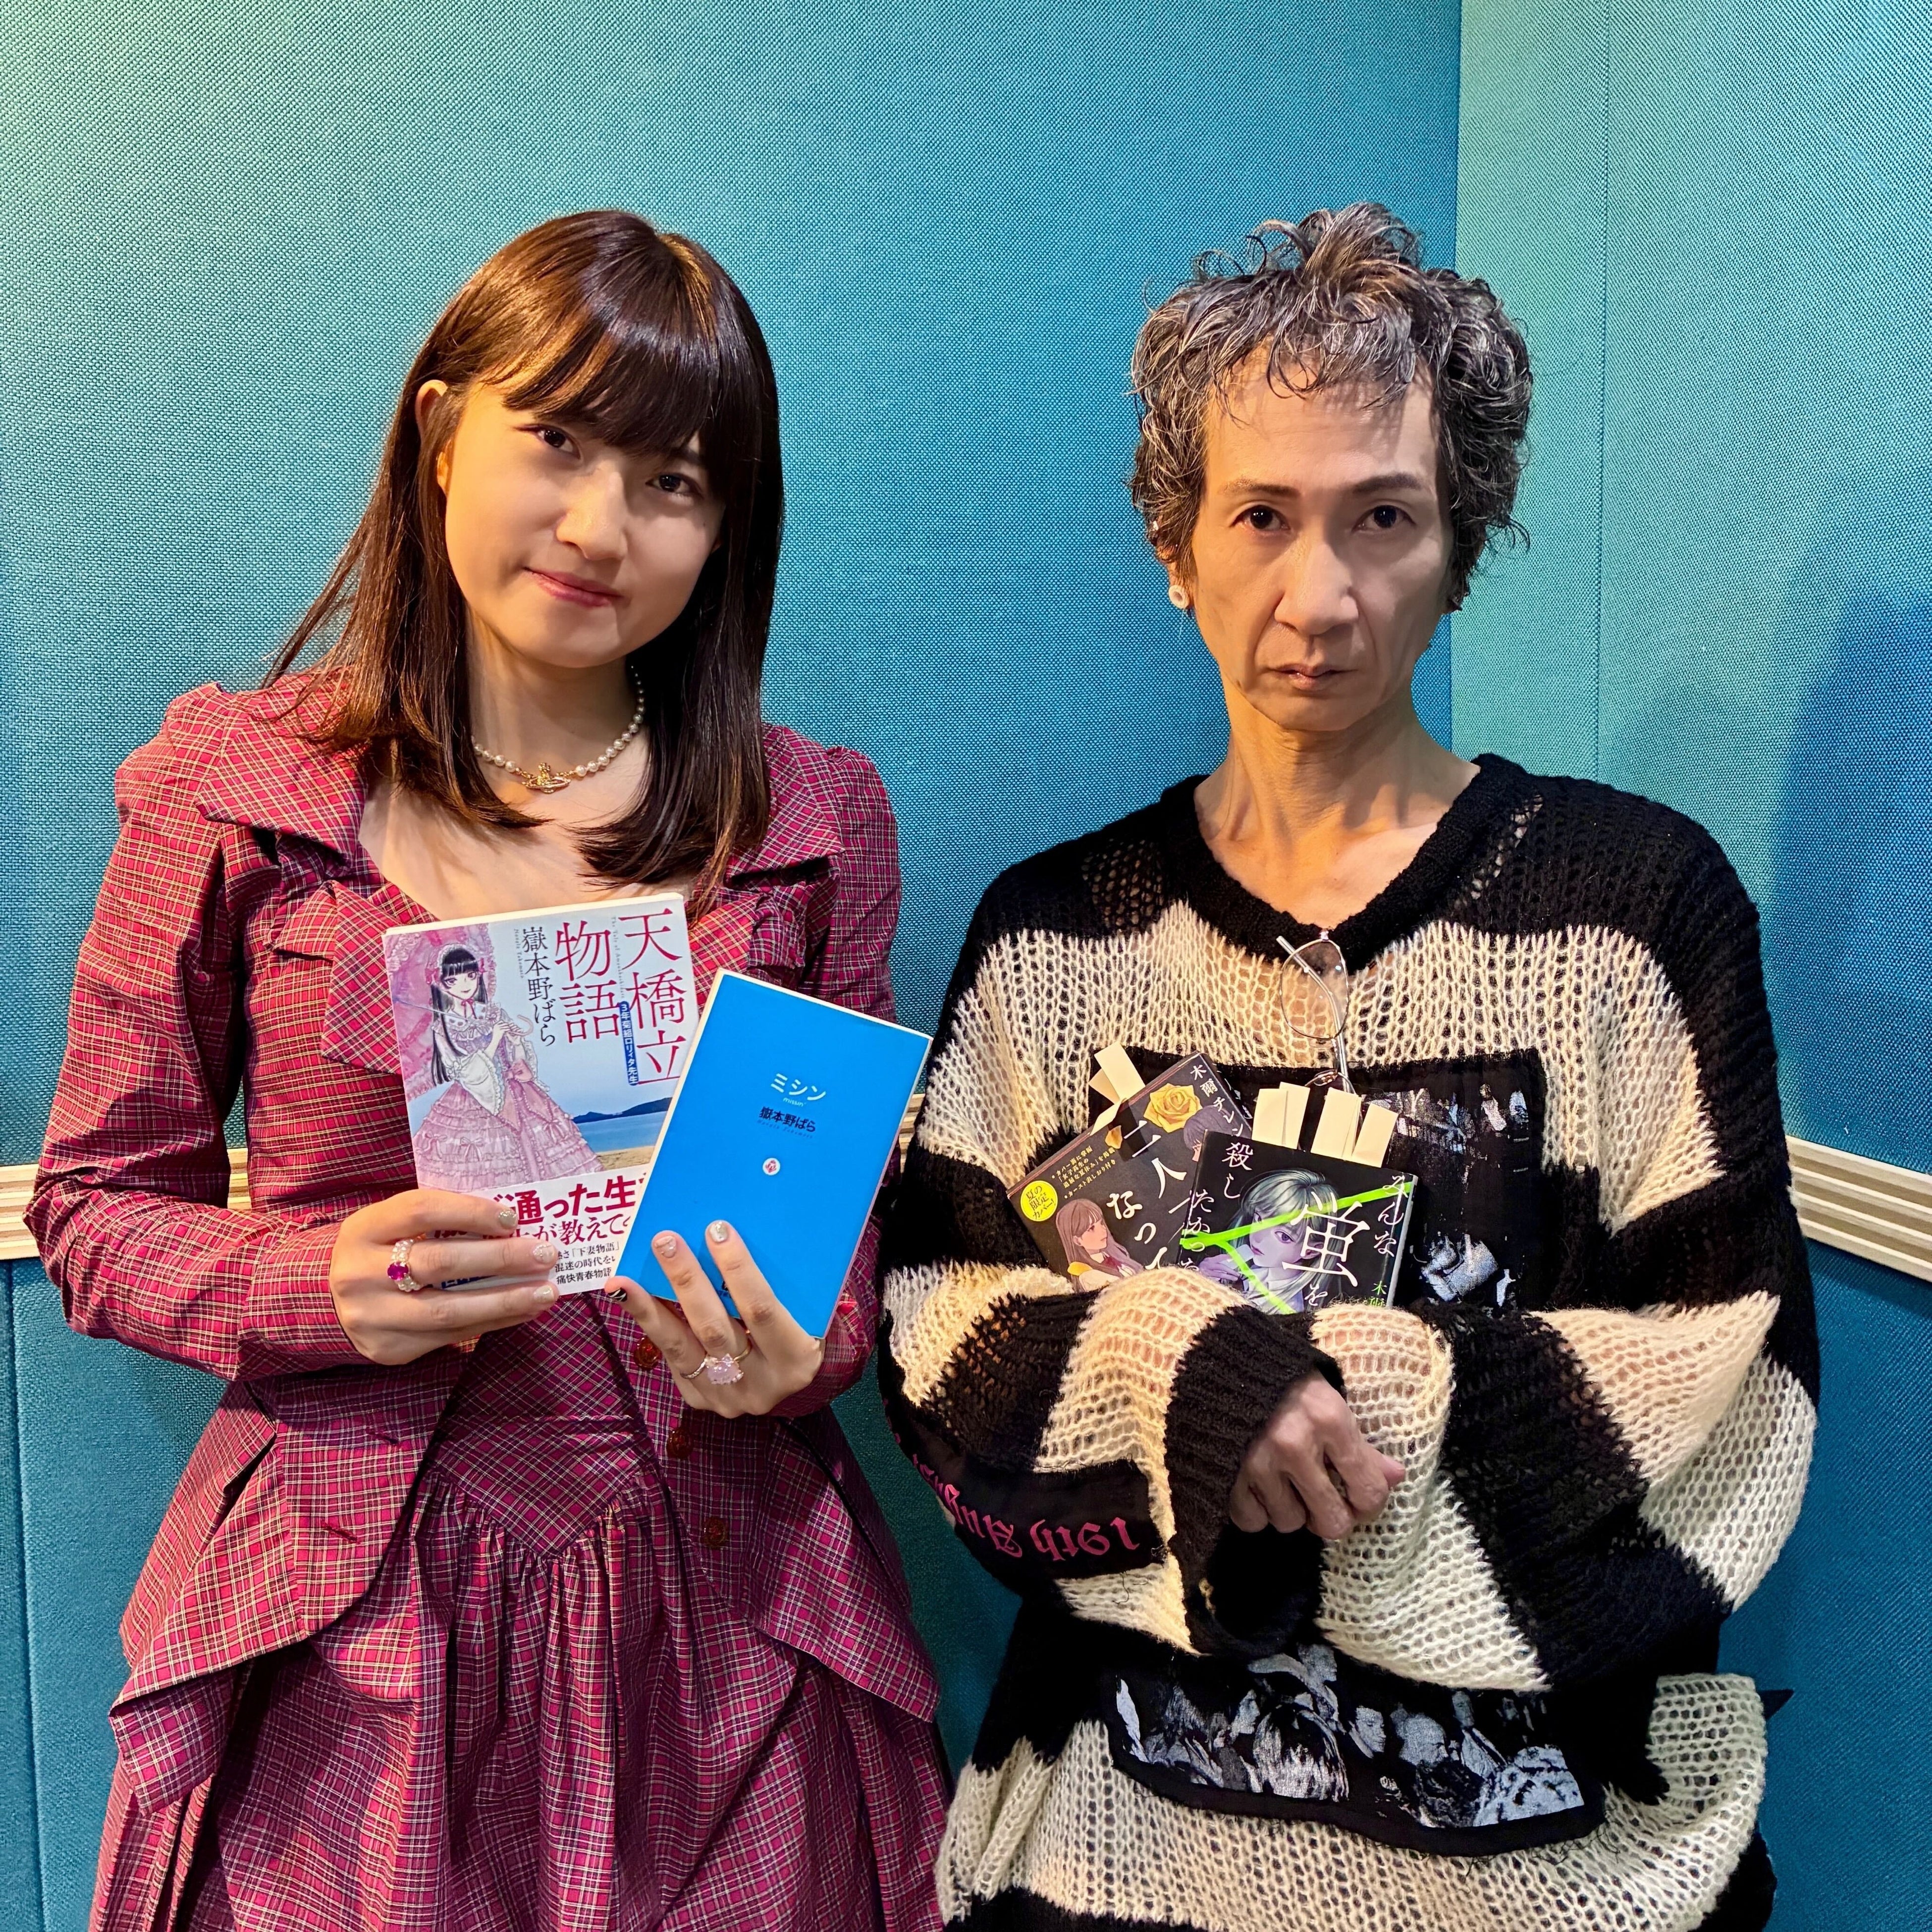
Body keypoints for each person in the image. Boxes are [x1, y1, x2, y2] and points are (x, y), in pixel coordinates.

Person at [882, 206, 1813, 1932]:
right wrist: (1183, 1382)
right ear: (1175, 543)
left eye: (1383, 517)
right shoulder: (1050, 934)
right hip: (1114, 1857)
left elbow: (1730, 1382)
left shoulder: (1633, 909)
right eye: (1259, 516)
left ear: (1458, 544)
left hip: (1553, 1874)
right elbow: (941, 1345)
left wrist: (1354, 1419)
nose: (1318, 597)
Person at [31, 211, 947, 1932]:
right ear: (443, 430)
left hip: (727, 1615)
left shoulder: (810, 824)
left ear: (726, 528)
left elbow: (830, 1245)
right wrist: (313, 1283)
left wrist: (788, 1353)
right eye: (560, 442)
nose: (602, 525)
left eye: (674, 482)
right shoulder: (234, 791)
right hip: (345, 1620)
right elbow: (92, 1206)